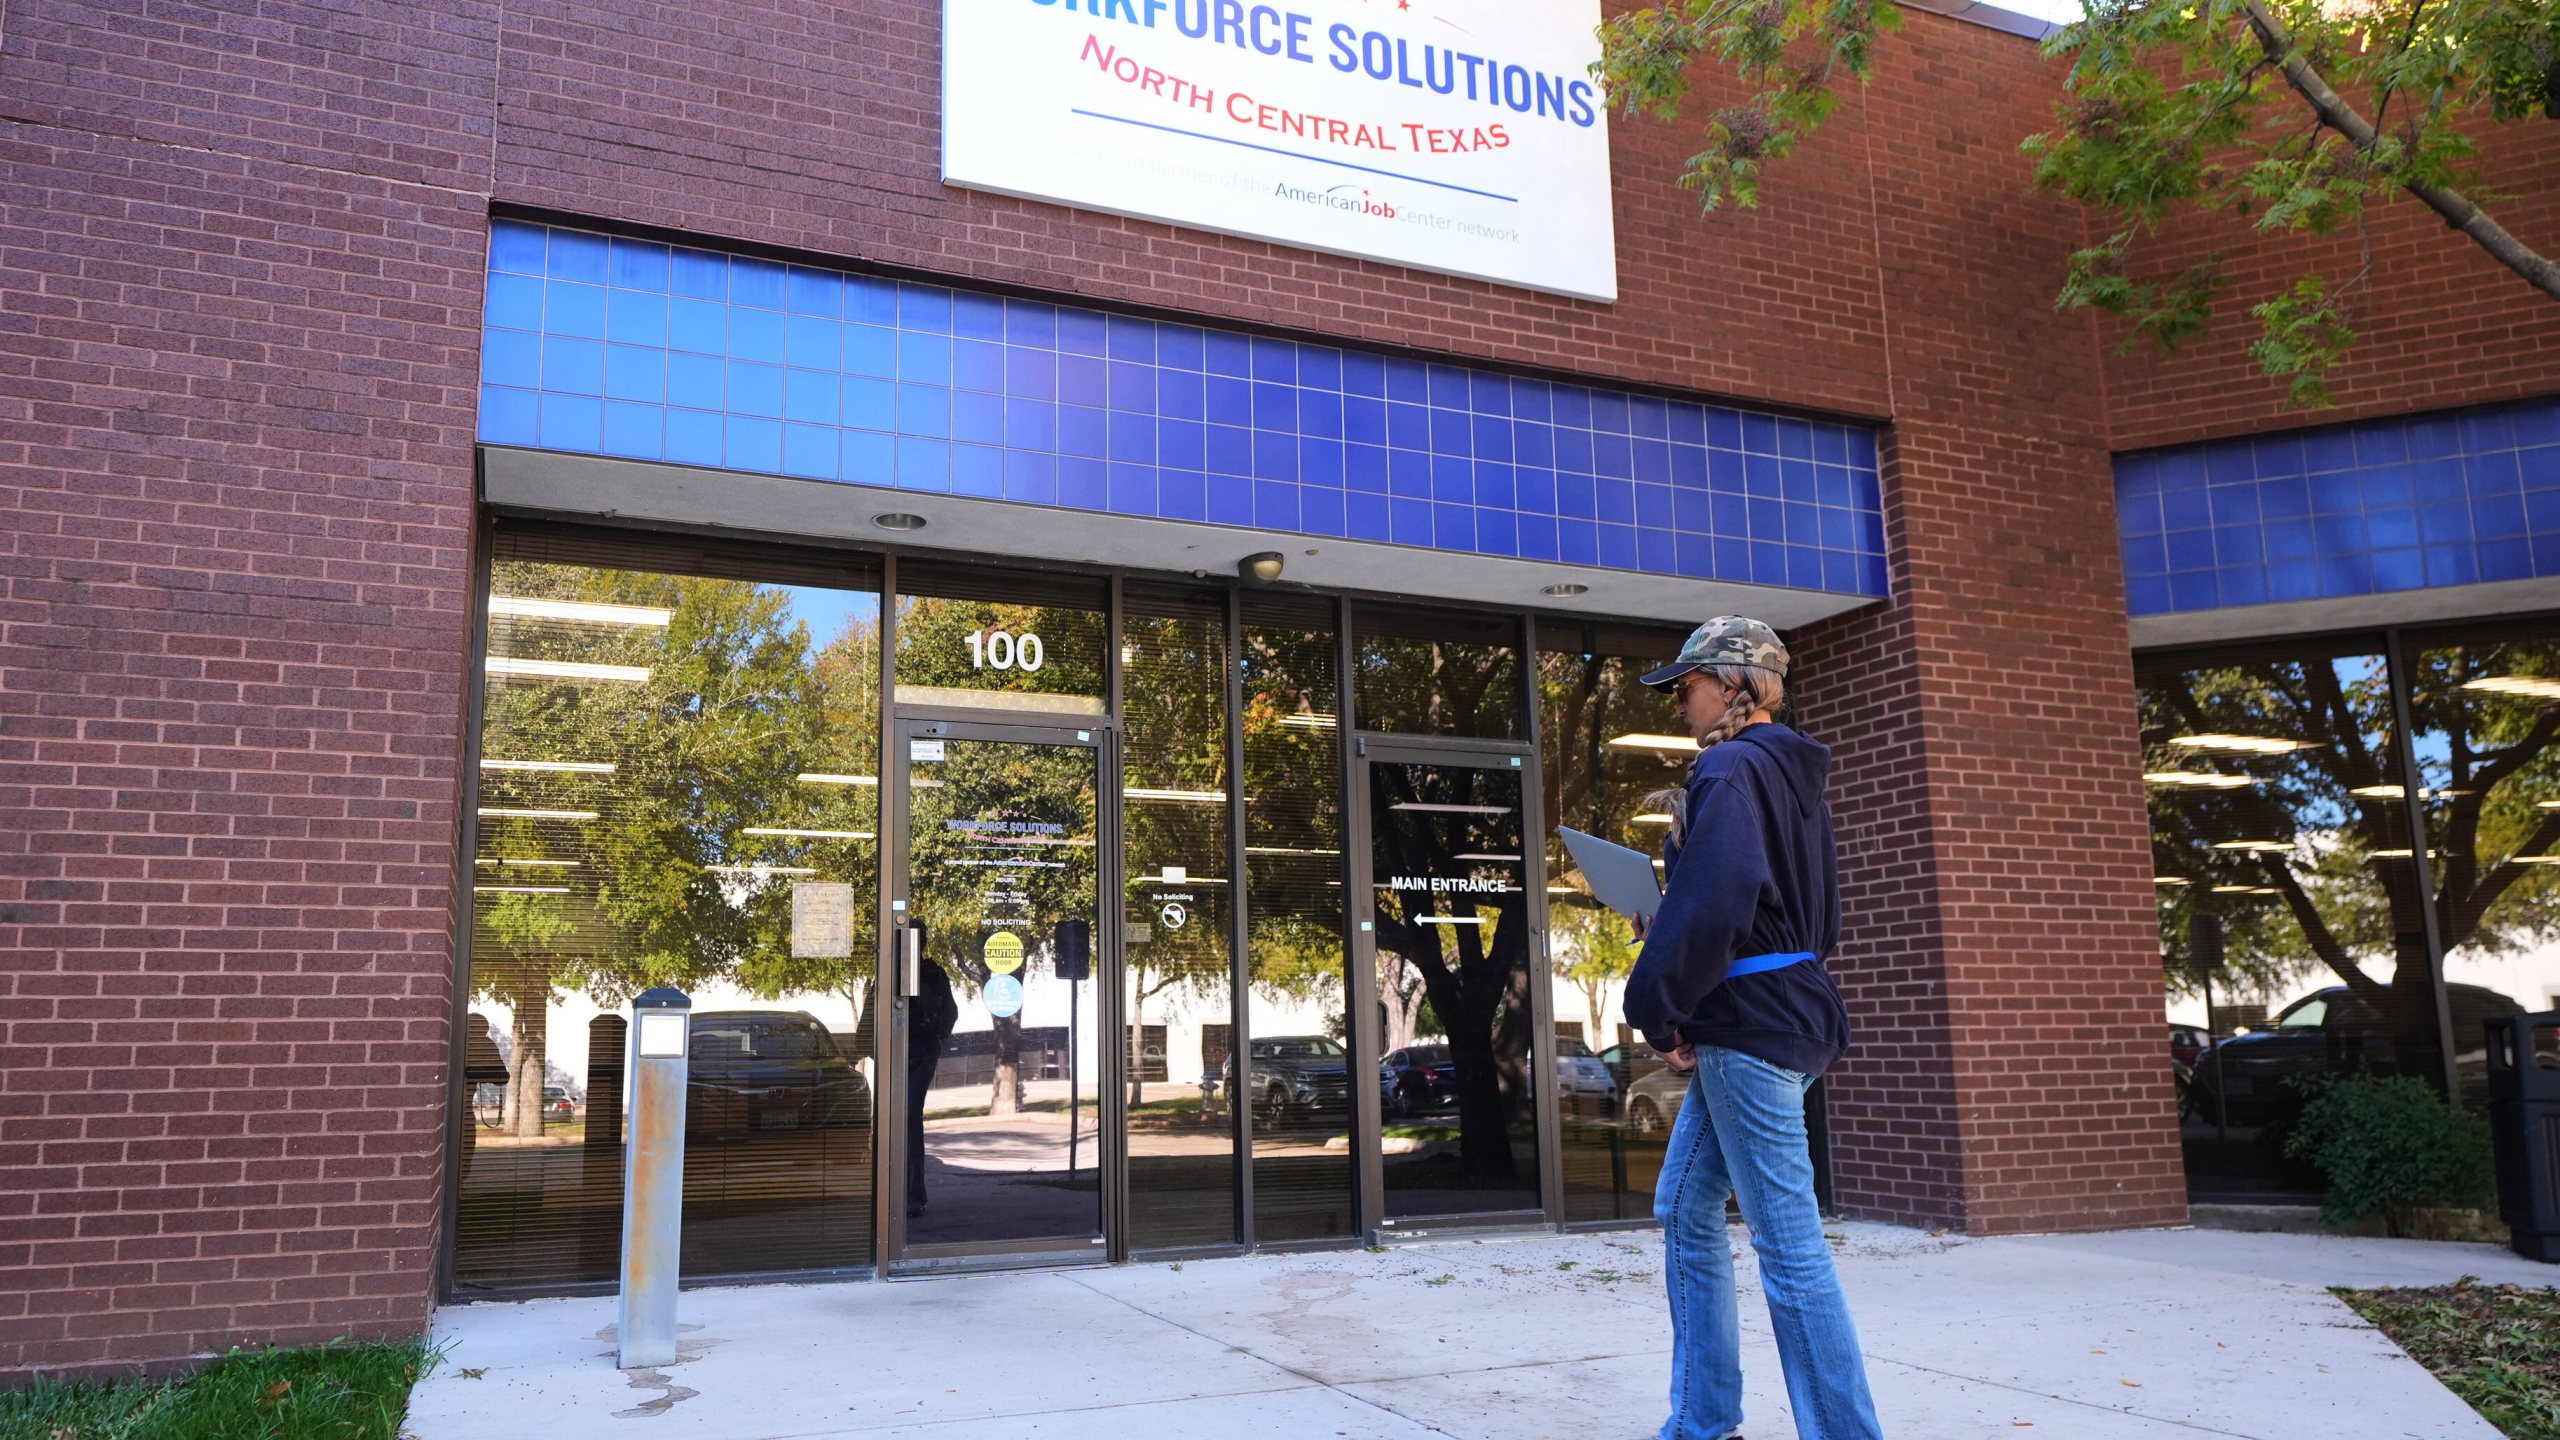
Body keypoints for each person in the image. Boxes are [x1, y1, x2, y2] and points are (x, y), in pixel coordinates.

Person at [1622, 616, 1883, 1440]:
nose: (1678, 703)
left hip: (1752, 1028)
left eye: (1688, 686)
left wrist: (1658, 1004)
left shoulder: (1730, 768)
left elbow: (1720, 902)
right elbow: (1775, 909)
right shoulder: (1790, 775)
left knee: (1790, 1248)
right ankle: (1702, 1421)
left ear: (1735, 685)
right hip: (1786, 1011)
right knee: (1685, 1205)